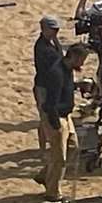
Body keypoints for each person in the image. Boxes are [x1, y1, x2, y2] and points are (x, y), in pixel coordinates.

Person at [39, 43, 88, 201]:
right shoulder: (57, 73)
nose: (82, 64)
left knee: (73, 147)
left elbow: (64, 89)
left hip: (65, 115)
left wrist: (77, 86)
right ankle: (52, 193)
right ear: (73, 57)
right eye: (81, 60)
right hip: (56, 117)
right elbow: (50, 104)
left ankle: (45, 175)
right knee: (60, 157)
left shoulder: (67, 70)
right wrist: (56, 125)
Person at [31, 14, 63, 150]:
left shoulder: (49, 43)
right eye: (53, 30)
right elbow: (59, 58)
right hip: (43, 86)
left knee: (45, 118)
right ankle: (43, 148)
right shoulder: (42, 47)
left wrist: (56, 40)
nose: (56, 32)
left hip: (49, 85)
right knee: (45, 119)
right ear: (44, 29)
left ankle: (44, 147)